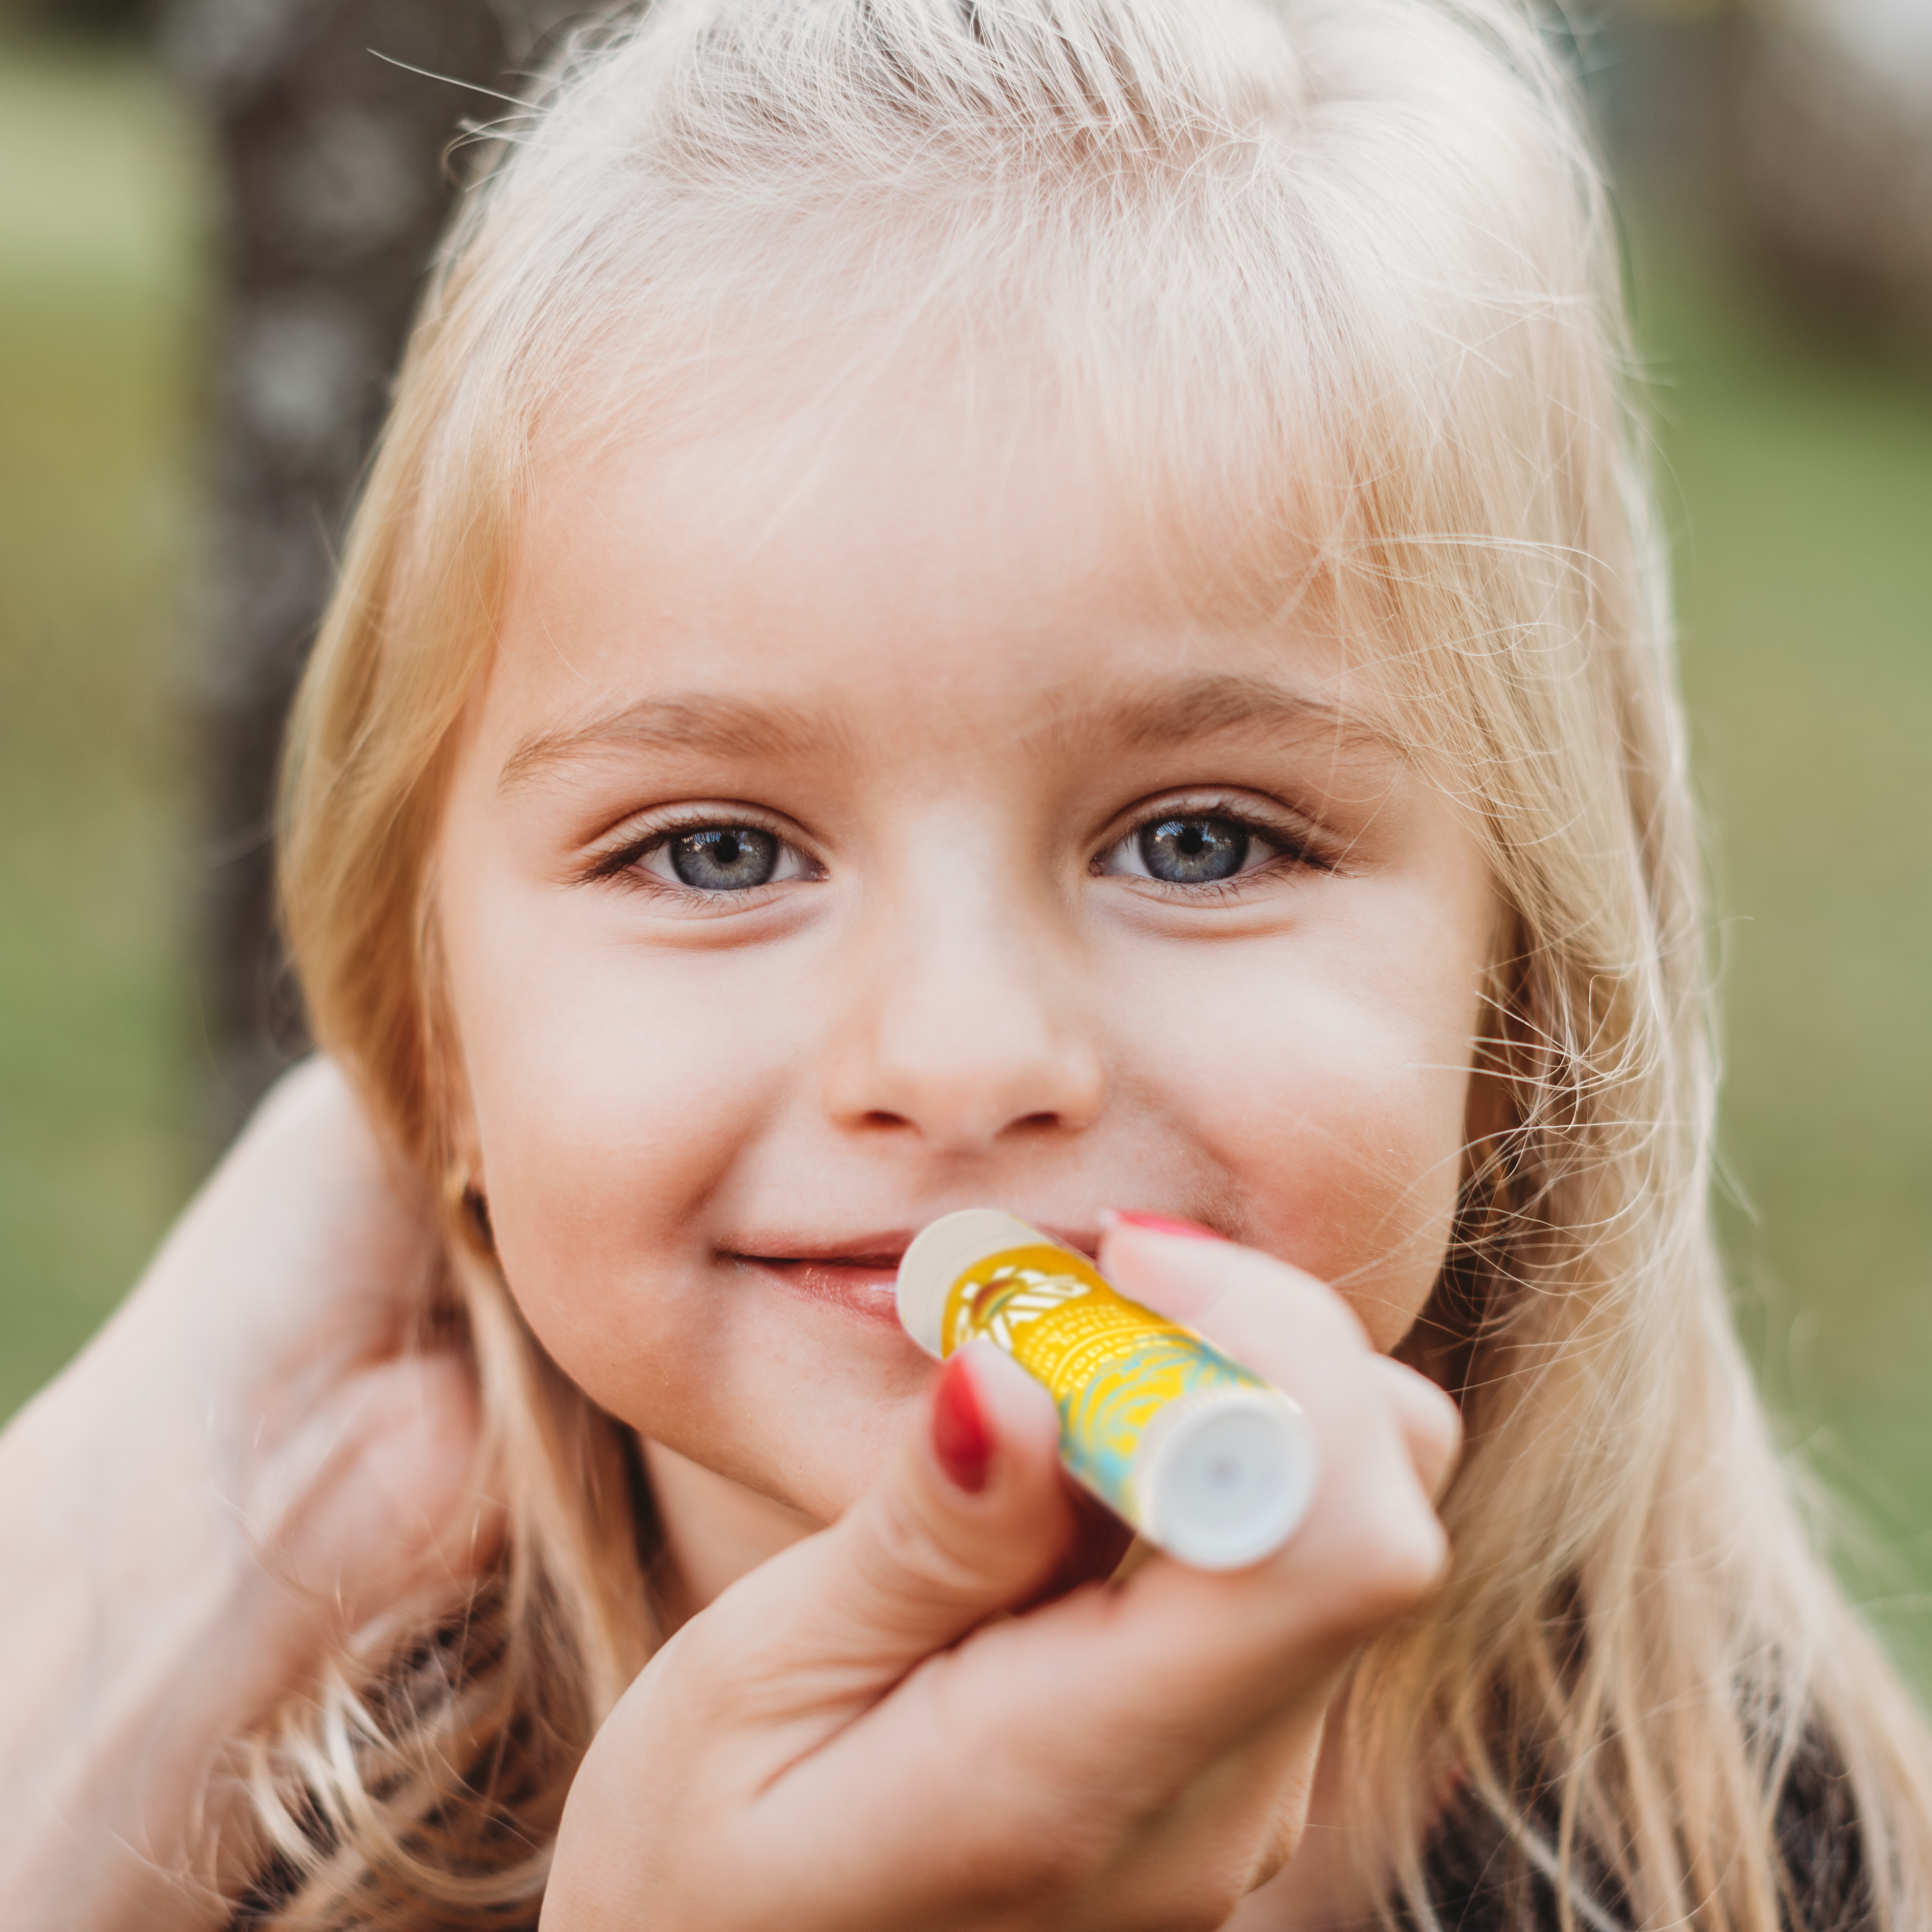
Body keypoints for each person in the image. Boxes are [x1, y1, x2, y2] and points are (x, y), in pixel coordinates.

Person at [4, 0, 1929, 1925]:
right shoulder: (245, 1820)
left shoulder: (1767, 1860)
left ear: (1518, 1008)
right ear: (438, 1035)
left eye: (1203, 841)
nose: (957, 1054)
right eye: (717, 849)